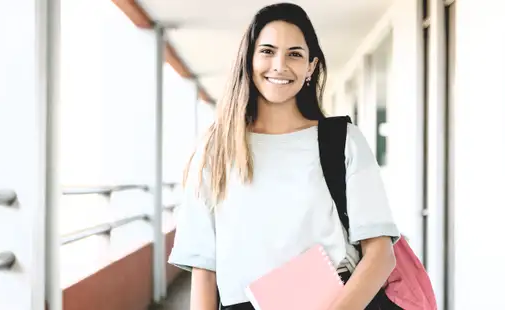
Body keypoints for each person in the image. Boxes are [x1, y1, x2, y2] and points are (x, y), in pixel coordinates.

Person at [168, 3, 401, 310]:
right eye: (267, 51)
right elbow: (204, 271)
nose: (279, 65)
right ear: (249, 60)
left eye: (294, 53)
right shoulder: (216, 149)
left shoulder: (343, 141)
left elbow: (381, 255)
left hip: (336, 301)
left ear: (311, 67)